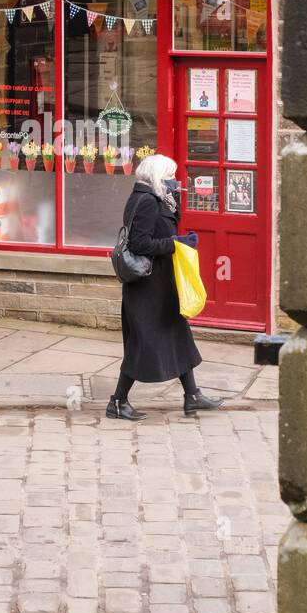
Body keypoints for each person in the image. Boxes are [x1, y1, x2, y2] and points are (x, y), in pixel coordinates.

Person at [107, 153, 224, 421]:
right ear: (158, 177)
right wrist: (177, 243)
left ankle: (191, 395)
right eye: (170, 176)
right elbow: (140, 244)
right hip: (147, 287)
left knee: (177, 335)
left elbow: (160, 229)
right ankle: (117, 401)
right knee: (142, 343)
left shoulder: (154, 198)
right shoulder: (147, 201)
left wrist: (174, 212)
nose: (175, 180)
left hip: (161, 284)